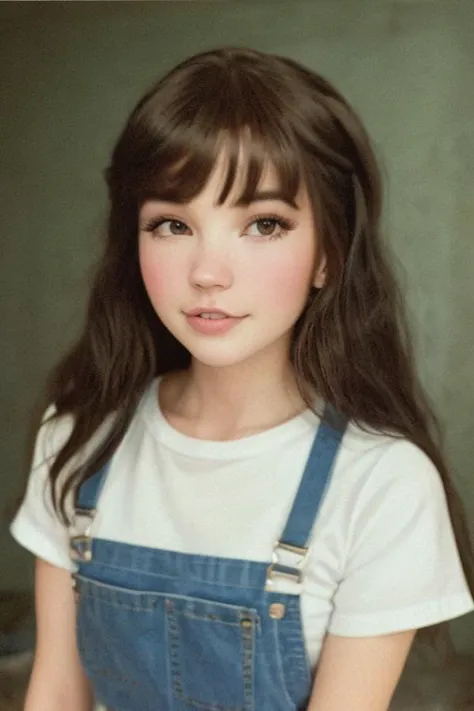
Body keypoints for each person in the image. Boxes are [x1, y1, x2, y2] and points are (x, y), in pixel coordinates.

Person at [10, 47, 474, 711]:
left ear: (328, 255)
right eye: (172, 224)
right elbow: (54, 693)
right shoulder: (78, 440)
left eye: (263, 224)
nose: (208, 272)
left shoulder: (383, 485)